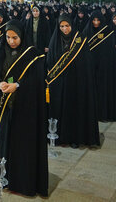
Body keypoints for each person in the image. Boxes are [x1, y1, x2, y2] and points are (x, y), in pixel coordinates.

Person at [0, 19, 48, 197]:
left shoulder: (33, 55)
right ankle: (6, 178)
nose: (11, 41)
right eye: (8, 37)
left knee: (24, 146)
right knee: (7, 142)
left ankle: (24, 182)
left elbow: (37, 81)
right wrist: (0, 84)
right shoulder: (2, 51)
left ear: (22, 36)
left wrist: (18, 85)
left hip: (26, 108)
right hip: (8, 107)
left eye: (15, 37)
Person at [46, 14, 99, 147]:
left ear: (72, 25)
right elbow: (50, 61)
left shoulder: (80, 40)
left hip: (76, 82)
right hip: (59, 84)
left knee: (74, 110)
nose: (64, 29)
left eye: (67, 26)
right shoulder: (55, 39)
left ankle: (74, 138)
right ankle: (59, 137)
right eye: (62, 26)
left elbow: (86, 63)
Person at [84, 10, 116, 122]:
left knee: (103, 91)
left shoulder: (107, 31)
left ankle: (103, 113)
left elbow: (110, 51)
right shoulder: (86, 31)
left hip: (104, 68)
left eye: (98, 20)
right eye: (94, 20)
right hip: (90, 67)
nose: (96, 22)